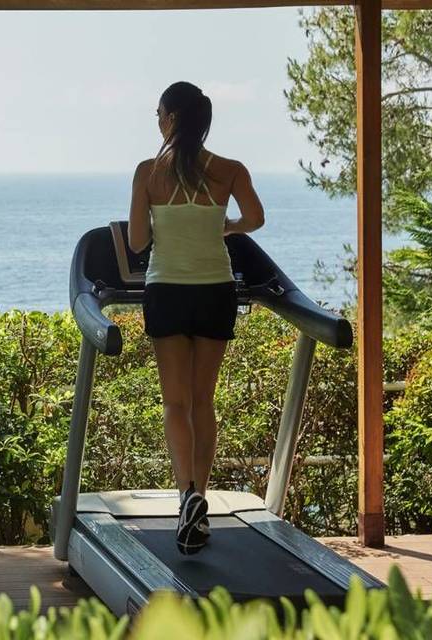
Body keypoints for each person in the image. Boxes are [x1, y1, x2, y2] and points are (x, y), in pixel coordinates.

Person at [127, 81, 265, 555]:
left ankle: (185, 493)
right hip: (215, 291)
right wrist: (226, 226)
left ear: (170, 118)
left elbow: (138, 242)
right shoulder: (230, 170)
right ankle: (199, 498)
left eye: (158, 114)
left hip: (166, 291)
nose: (158, 121)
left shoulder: (148, 172)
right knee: (203, 401)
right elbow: (256, 218)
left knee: (175, 403)